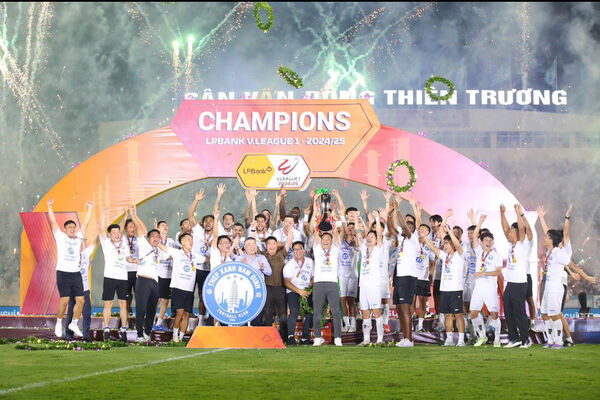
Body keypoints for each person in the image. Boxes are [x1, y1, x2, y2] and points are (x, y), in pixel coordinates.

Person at [47, 198, 93, 338]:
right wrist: (50, 206)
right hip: (63, 273)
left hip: (76, 274)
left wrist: (90, 209)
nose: (72, 229)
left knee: (81, 300)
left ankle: (74, 323)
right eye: (69, 227)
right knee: (65, 300)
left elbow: (85, 224)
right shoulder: (60, 237)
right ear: (65, 229)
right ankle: (58, 323)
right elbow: (53, 222)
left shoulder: (78, 238)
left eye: (74, 227)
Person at [424, 217, 466, 347]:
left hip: (456, 289)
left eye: (447, 244)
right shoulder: (444, 255)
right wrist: (424, 237)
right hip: (445, 289)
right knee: (447, 315)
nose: (445, 245)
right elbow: (433, 248)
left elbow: (458, 245)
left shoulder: (459, 254)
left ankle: (461, 340)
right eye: (445, 244)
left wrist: (449, 233)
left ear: (452, 244)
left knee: (458, 315)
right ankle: (449, 339)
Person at [537, 204, 573, 349]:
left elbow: (567, 233)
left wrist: (567, 217)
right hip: (548, 281)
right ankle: (553, 340)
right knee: (548, 312)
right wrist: (541, 218)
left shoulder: (565, 248)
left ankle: (565, 339)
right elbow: (547, 232)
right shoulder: (553, 250)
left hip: (559, 283)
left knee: (558, 313)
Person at [157, 232, 203, 343]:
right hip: (177, 288)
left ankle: (181, 338)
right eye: (188, 239)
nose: (191, 241)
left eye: (191, 239)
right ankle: (175, 335)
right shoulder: (177, 253)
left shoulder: (195, 255)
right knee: (180, 312)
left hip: (189, 289)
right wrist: (156, 237)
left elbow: (207, 259)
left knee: (187, 314)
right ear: (182, 242)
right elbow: (162, 246)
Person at [310, 194, 343, 347]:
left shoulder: (335, 250)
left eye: (328, 239)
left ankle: (338, 338)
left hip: (332, 284)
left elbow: (335, 234)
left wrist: (332, 221)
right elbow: (316, 233)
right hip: (318, 284)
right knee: (317, 312)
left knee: (336, 312)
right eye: (324, 239)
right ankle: (317, 337)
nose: (325, 240)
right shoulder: (317, 249)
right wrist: (319, 217)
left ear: (331, 241)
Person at [500, 204, 534, 348]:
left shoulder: (523, 244)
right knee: (508, 311)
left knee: (520, 312)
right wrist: (502, 214)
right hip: (510, 283)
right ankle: (514, 339)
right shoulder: (512, 245)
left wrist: (518, 214)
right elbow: (505, 229)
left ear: (518, 234)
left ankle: (525, 340)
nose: (509, 234)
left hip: (520, 283)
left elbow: (521, 229)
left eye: (512, 232)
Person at [389, 197, 420, 347]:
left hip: (408, 277)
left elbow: (403, 226)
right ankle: (405, 337)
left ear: (412, 230)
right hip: (399, 276)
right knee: (399, 308)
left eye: (408, 227)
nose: (404, 228)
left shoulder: (413, 239)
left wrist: (397, 210)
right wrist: (389, 214)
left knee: (406, 306)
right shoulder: (401, 240)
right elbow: (391, 229)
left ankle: (410, 339)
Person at [468, 215, 503, 347]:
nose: (488, 242)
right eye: (486, 240)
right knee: (473, 313)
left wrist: (483, 273)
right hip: (478, 289)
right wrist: (480, 222)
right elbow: (475, 235)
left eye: (490, 240)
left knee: (494, 315)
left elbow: (498, 272)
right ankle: (482, 336)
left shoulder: (496, 255)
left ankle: (497, 339)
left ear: (493, 242)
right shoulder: (478, 251)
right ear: (481, 242)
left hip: (490, 289)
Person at [129, 207, 161, 342]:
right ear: (148, 238)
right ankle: (140, 334)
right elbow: (141, 229)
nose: (156, 238)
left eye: (158, 237)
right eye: (153, 236)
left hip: (155, 282)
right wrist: (134, 216)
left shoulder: (159, 250)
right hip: (143, 280)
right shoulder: (143, 243)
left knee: (152, 309)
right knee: (141, 308)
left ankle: (148, 333)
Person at [99, 207, 131, 341]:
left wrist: (134, 260)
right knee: (108, 304)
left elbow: (128, 258)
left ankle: (123, 329)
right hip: (110, 277)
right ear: (110, 234)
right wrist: (103, 215)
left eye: (119, 231)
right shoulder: (106, 243)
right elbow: (101, 229)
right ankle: (106, 329)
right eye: (114, 232)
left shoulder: (124, 244)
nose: (117, 234)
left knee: (123, 304)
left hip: (123, 278)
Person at [355, 212, 384, 345]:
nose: (369, 238)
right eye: (368, 236)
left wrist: (377, 219)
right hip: (363, 285)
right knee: (365, 312)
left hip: (374, 285)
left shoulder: (378, 249)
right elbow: (357, 233)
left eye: (372, 236)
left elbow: (379, 233)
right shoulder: (363, 249)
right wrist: (356, 219)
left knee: (376, 311)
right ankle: (366, 339)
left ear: (377, 239)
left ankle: (379, 339)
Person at [259, 233, 293, 341]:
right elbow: (253, 245)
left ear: (277, 246)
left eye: (274, 243)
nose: (272, 246)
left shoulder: (281, 254)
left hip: (281, 289)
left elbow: (288, 242)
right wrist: (253, 229)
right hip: (268, 289)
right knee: (268, 314)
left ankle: (284, 338)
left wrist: (290, 228)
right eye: (269, 244)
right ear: (266, 246)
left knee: (283, 315)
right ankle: (266, 337)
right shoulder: (262, 256)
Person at [234, 236, 272, 325]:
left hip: (258, 291)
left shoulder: (261, 257)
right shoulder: (240, 258)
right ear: (244, 247)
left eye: (254, 244)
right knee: (243, 316)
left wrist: (263, 268)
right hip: (244, 292)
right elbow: (235, 275)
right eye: (249, 244)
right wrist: (243, 266)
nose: (252, 246)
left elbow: (269, 272)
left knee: (257, 317)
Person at [283, 241, 315, 345]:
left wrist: (308, 289)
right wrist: (299, 291)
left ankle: (305, 338)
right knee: (294, 311)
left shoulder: (310, 262)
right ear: (292, 252)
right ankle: (291, 337)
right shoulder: (289, 265)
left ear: (304, 250)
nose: (298, 251)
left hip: (306, 291)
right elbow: (287, 283)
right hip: (293, 291)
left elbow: (313, 277)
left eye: (300, 248)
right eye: (295, 249)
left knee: (310, 313)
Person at [65, 236, 96, 342]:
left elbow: (95, 243)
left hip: (85, 289)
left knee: (87, 313)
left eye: (80, 244)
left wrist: (102, 228)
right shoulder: (69, 256)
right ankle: (69, 336)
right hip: (74, 290)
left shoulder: (85, 254)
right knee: (71, 312)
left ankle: (86, 336)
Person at [154, 220, 177, 331]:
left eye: (166, 225)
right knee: (157, 299)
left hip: (169, 274)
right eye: (162, 225)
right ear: (158, 228)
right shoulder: (155, 241)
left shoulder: (171, 241)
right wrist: (173, 256)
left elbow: (178, 252)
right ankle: (150, 320)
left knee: (166, 300)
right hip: (158, 273)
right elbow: (161, 256)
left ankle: (159, 322)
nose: (165, 227)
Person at [414, 223, 436, 333]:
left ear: (428, 232)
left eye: (424, 229)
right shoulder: (413, 242)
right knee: (411, 301)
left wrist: (431, 274)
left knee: (422, 302)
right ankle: (410, 325)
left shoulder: (429, 245)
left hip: (424, 277)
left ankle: (420, 326)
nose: (421, 230)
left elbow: (433, 261)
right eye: (420, 228)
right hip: (412, 276)